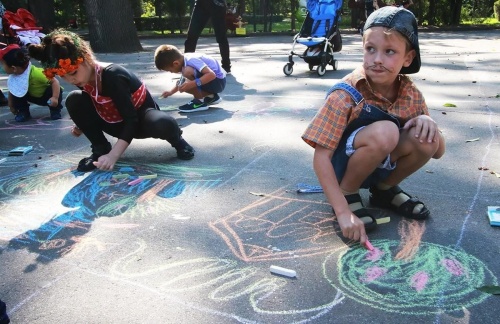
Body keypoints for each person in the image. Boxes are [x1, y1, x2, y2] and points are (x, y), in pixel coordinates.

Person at [301, 6, 445, 245]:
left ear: (407, 58)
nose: (377, 59)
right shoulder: (345, 94)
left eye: (390, 51)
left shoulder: (410, 94)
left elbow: (438, 150)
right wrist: (342, 212)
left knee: (425, 135)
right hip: (341, 169)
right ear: (363, 49)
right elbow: (321, 157)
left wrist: (428, 122)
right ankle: (348, 194)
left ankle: (384, 190)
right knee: (386, 131)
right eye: (370, 49)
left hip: (377, 165)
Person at [28, 29, 195, 172]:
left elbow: (131, 119)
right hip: (113, 120)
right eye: (63, 76)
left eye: (72, 73)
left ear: (86, 58)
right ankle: (100, 149)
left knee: (162, 123)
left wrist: (114, 156)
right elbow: (90, 98)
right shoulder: (83, 77)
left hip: (141, 120)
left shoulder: (112, 75)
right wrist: (82, 124)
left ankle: (178, 141)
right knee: (74, 99)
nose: (70, 80)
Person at [154, 44, 226, 113]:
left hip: (218, 82)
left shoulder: (191, 60)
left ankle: (199, 102)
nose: (171, 72)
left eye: (170, 70)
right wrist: (171, 92)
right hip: (214, 82)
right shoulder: (184, 60)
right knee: (183, 84)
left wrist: (192, 84)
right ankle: (211, 96)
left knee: (187, 74)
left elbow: (211, 75)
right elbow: (182, 81)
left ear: (176, 63)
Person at [0, 43, 63, 122]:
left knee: (54, 90)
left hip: (45, 96)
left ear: (14, 68)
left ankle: (55, 110)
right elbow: (13, 90)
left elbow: (55, 81)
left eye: (3, 64)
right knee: (17, 93)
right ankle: (23, 112)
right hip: (32, 95)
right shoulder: (14, 76)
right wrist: (11, 104)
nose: (2, 67)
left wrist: (55, 98)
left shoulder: (36, 73)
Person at [185, 0, 232, 74]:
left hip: (217, 4)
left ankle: (226, 66)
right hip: (201, 4)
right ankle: (187, 65)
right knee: (191, 36)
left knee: (221, 37)